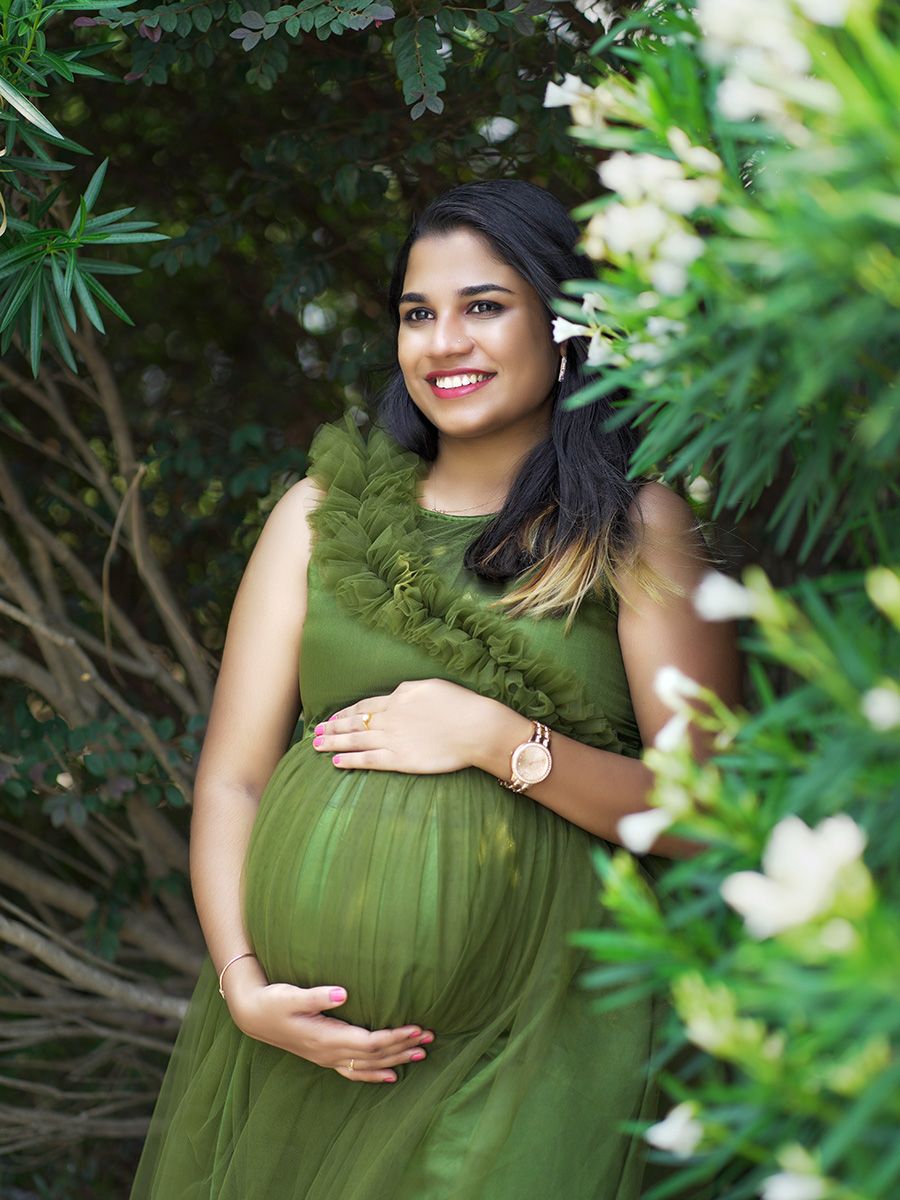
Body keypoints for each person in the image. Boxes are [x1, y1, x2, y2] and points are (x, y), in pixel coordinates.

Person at [130, 179, 738, 1200]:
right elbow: (233, 780)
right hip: (300, 1053)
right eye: (418, 314)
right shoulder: (318, 514)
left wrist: (499, 740)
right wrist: (244, 987)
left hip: (540, 1044)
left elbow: (711, 816)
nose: (443, 341)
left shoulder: (635, 529)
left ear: (565, 325)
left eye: (484, 306)